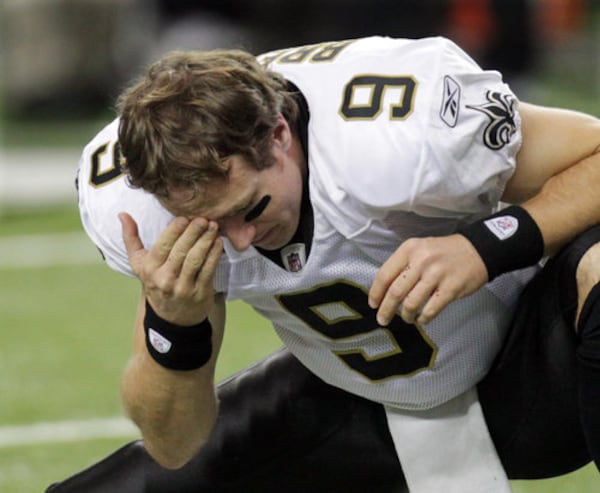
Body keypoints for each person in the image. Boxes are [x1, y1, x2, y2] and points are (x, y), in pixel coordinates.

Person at [54, 35, 600, 491]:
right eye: (211, 226)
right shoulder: (143, 212)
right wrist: (172, 323)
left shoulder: (392, 138)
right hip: (362, 394)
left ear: (280, 135)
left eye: (249, 209)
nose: (239, 242)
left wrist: (484, 246)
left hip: (538, 356)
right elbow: (174, 445)